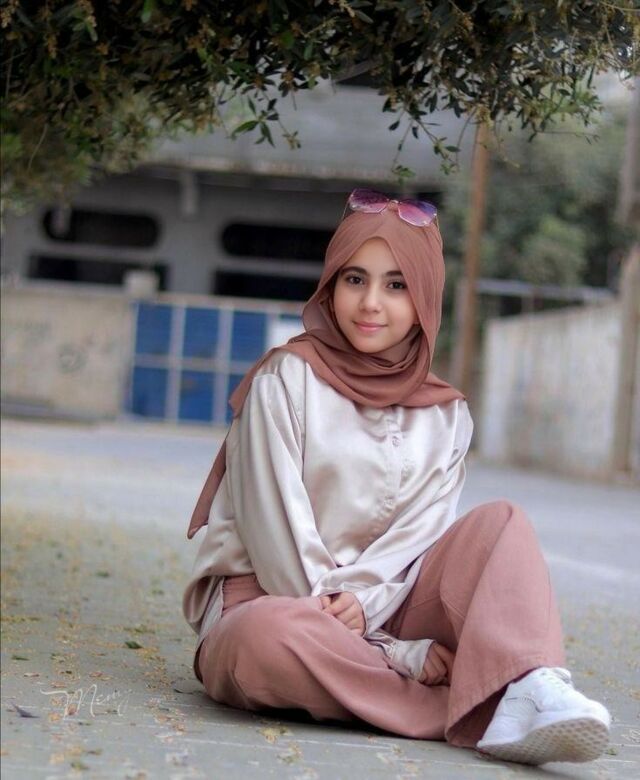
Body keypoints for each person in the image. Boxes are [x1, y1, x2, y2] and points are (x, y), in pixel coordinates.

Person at [182, 188, 611, 765]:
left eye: (396, 285)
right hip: (277, 601)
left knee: (503, 523)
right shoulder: (284, 380)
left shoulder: (447, 414)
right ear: (330, 284)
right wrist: (394, 650)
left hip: (392, 603)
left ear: (425, 297)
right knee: (261, 641)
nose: (370, 303)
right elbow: (278, 536)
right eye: (354, 279)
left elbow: (417, 539)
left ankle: (534, 684)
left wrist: (369, 603)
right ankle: (476, 705)